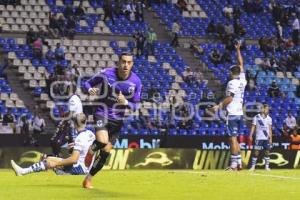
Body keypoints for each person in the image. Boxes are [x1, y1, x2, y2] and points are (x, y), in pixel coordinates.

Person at [82, 52, 142, 189]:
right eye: (123, 61)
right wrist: (90, 89)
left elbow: (136, 106)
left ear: (132, 64)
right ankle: (91, 151)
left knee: (106, 152)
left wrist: (126, 101)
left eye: (129, 62)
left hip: (117, 121)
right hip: (101, 112)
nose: (126, 65)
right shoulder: (106, 73)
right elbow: (87, 83)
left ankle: (88, 179)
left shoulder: (136, 82)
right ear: (118, 62)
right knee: (102, 141)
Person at [11, 113, 95, 176]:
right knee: (49, 158)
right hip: (87, 168)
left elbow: (74, 159)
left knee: (50, 161)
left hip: (79, 169)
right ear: (86, 121)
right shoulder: (91, 134)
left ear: (75, 124)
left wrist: (57, 163)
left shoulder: (80, 138)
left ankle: (23, 171)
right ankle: (23, 171)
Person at [211, 41, 246, 170]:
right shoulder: (243, 80)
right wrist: (238, 50)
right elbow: (241, 64)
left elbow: (230, 98)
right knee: (234, 138)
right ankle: (239, 163)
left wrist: (219, 106)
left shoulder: (232, 83)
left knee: (232, 139)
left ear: (231, 73)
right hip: (240, 114)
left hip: (232, 113)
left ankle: (233, 164)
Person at [249, 104, 272, 171]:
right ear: (263, 109)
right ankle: (253, 167)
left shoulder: (269, 118)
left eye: (268, 109)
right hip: (258, 138)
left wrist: (271, 139)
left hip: (266, 138)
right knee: (256, 152)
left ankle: (267, 167)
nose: (267, 110)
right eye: (266, 109)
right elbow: (253, 127)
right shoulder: (256, 117)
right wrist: (250, 135)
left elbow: (270, 129)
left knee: (267, 152)